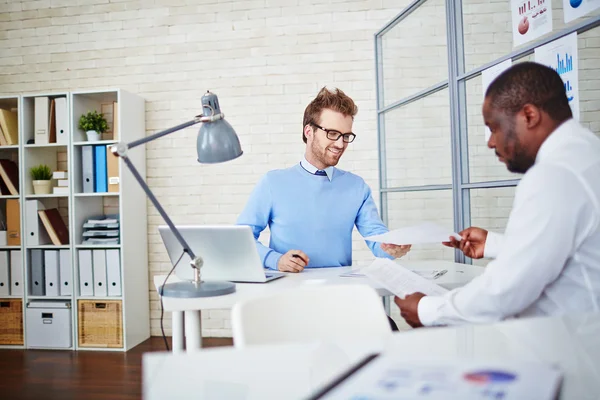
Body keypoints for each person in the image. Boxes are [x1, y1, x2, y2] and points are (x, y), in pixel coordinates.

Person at [395, 62, 600, 328]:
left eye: (494, 128)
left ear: (529, 116)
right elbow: (565, 250)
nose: (491, 142)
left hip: (572, 350)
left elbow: (507, 290)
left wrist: (427, 310)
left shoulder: (554, 174)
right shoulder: (586, 154)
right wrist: (494, 244)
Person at [237, 86, 410, 273]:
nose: (340, 144)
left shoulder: (357, 187)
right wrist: (275, 260)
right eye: (332, 134)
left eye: (346, 136)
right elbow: (240, 240)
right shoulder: (273, 183)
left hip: (338, 292)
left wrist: (392, 248)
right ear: (309, 132)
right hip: (286, 292)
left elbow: (378, 242)